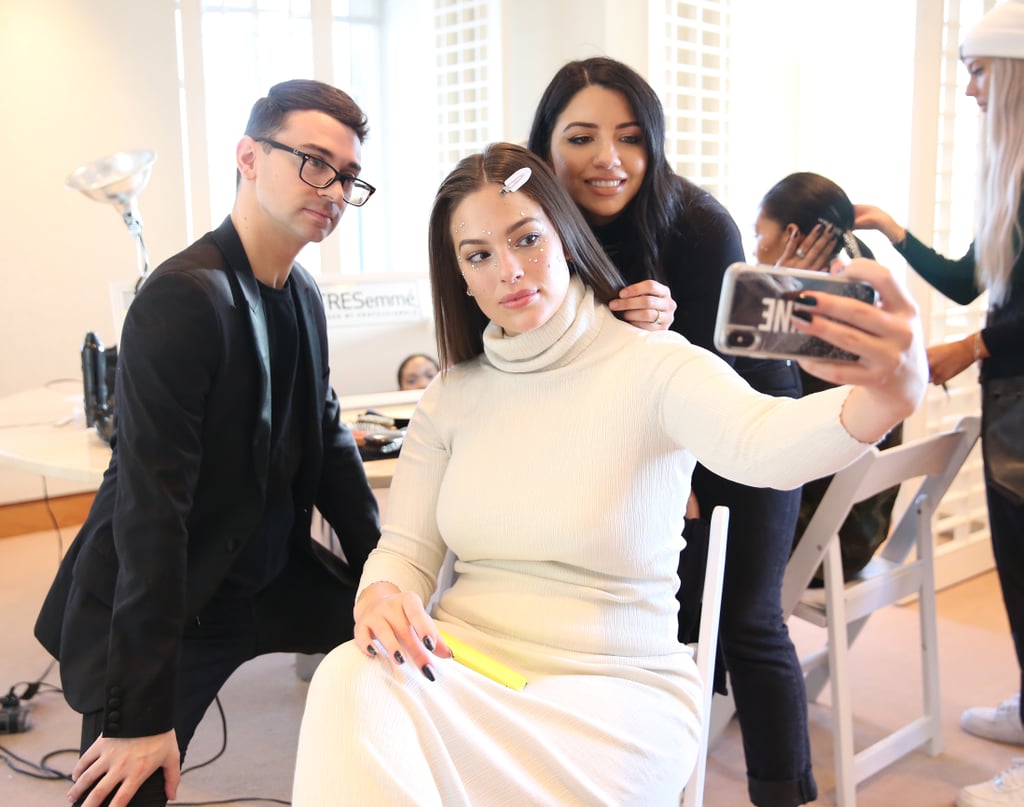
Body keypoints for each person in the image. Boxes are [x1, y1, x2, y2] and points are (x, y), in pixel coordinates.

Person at [291, 143, 927, 806]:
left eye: (527, 238)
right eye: (479, 254)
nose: (508, 270)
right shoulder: (450, 395)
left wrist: (885, 397)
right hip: (462, 669)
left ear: (566, 237)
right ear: (461, 276)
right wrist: (382, 593)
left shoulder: (654, 365)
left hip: (618, 694)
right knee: (346, 676)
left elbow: (763, 441)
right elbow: (406, 549)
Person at [34, 79, 381, 807]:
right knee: (125, 784)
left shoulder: (304, 294)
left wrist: (384, 577)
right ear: (249, 156)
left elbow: (327, 438)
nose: (334, 189)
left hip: (267, 577)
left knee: (413, 653)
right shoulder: (183, 298)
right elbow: (151, 514)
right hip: (178, 596)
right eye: (315, 162)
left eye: (348, 176)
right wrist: (141, 717)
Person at [526, 57, 813, 806]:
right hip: (640, 440)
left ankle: (784, 793)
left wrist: (676, 462)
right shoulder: (540, 227)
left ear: (654, 144)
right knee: (627, 619)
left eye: (629, 138)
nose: (608, 159)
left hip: (747, 428)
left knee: (746, 621)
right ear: (546, 145)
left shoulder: (696, 221)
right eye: (582, 137)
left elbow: (731, 368)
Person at [855, 3, 1024, 803]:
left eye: (978, 71)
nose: (966, 90)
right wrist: (891, 229)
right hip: (1010, 402)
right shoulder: (1011, 176)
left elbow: (1002, 319)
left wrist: (970, 348)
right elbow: (968, 280)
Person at [755, 171, 904, 583]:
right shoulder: (865, 298)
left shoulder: (815, 330)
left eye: (758, 236)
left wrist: (774, 299)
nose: (754, 251)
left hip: (815, 543)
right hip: (860, 533)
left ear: (791, 236)